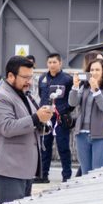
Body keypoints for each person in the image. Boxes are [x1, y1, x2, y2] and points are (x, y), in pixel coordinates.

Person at [0, 56, 52, 204]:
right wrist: (36, 118)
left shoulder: (24, 95)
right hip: (8, 171)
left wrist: (43, 123)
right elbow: (7, 128)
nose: (29, 82)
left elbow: (29, 124)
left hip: (24, 170)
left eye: (31, 77)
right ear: (11, 76)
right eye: (25, 77)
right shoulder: (0, 97)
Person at [69, 57, 103, 175]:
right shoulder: (84, 86)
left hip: (101, 136)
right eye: (91, 70)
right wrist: (75, 87)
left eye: (97, 70)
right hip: (82, 134)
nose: (94, 72)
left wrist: (96, 89)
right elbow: (72, 103)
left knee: (97, 172)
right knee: (85, 172)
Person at [34, 53, 73, 184]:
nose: (52, 65)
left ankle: (66, 176)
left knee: (63, 147)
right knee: (44, 147)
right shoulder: (42, 78)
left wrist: (65, 110)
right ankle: (43, 175)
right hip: (45, 118)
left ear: (60, 63)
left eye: (54, 62)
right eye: (50, 62)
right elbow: (42, 95)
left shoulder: (67, 79)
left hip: (60, 118)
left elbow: (72, 99)